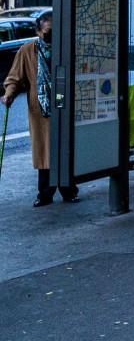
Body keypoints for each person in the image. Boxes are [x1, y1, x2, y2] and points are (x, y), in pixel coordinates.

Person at [4, 11, 77, 207]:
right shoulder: (27, 51)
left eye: (55, 32)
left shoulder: (66, 47)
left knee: (65, 149)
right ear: (38, 31)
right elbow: (15, 77)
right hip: (41, 110)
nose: (51, 37)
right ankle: (45, 194)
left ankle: (69, 190)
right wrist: (9, 93)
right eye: (47, 33)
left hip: (64, 105)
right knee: (45, 153)